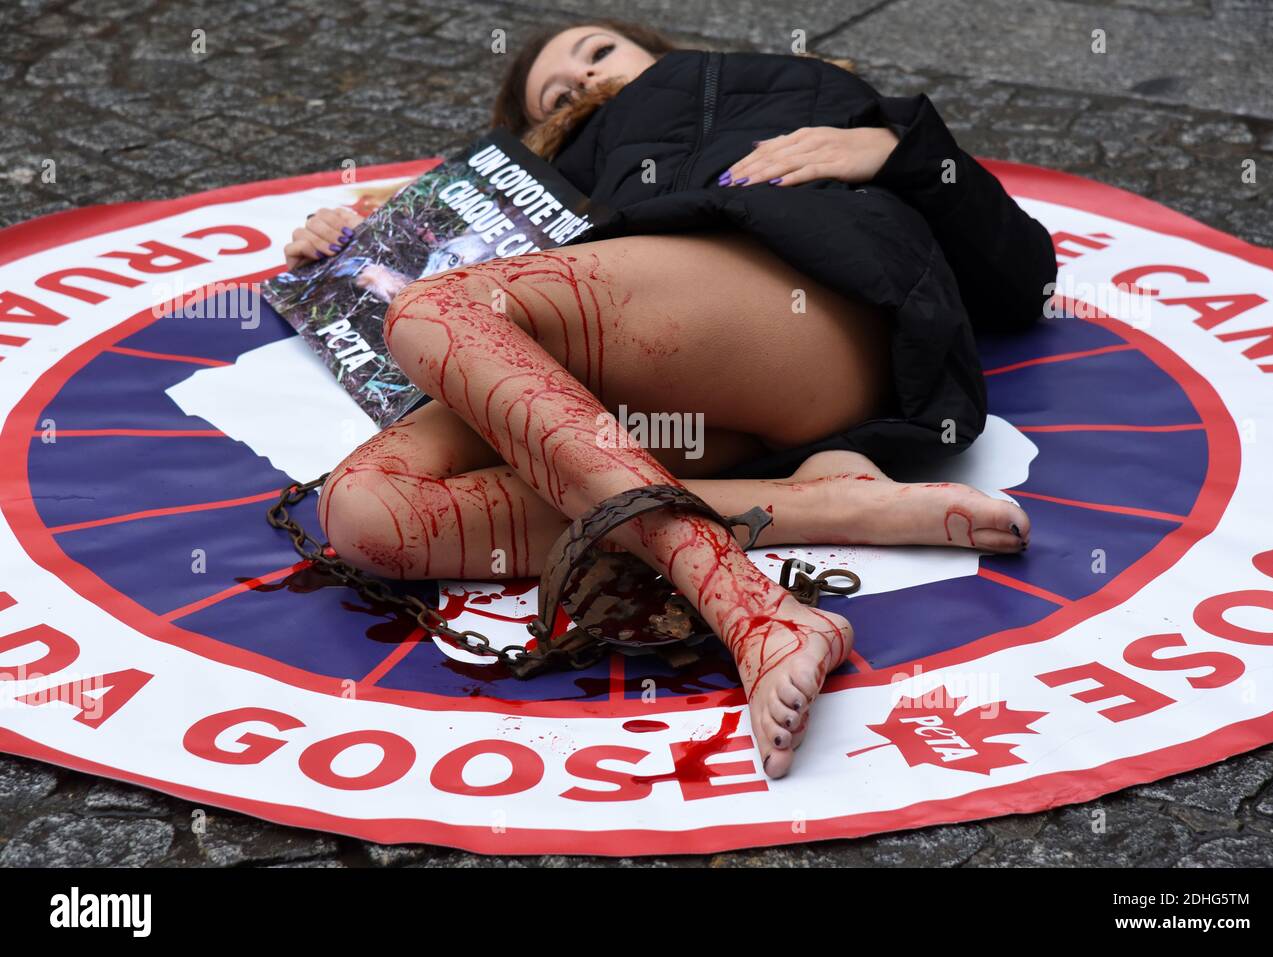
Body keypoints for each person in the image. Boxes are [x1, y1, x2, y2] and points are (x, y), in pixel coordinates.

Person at [281, 20, 1057, 778]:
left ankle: (748, 607)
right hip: (662, 390)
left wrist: (896, 149)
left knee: (432, 311)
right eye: (555, 97)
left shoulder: (800, 89)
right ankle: (825, 503)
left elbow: (1024, 277)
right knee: (363, 511)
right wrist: (359, 237)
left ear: (654, 47)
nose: (582, 80)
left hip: (803, 307)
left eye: (596, 52)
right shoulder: (559, 182)